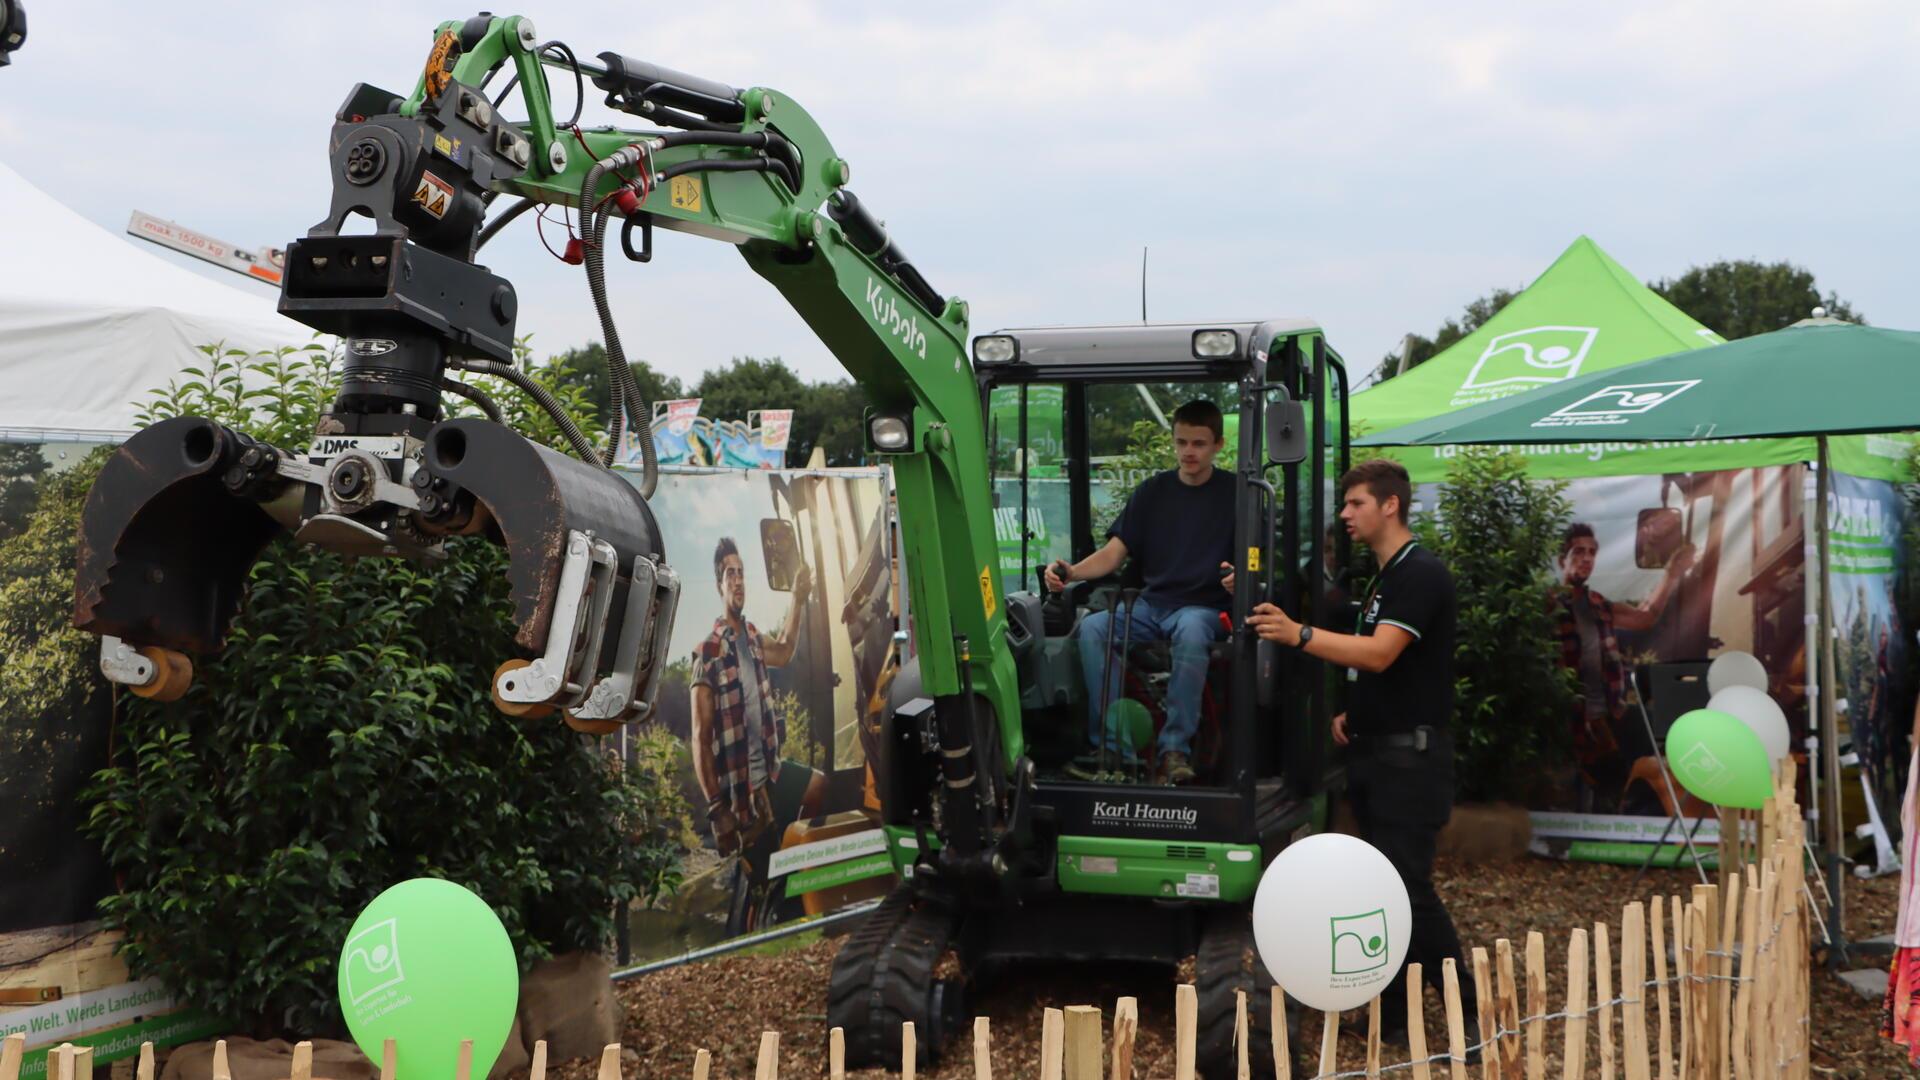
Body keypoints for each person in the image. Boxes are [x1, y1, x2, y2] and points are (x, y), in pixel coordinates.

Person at [1247, 458, 1467, 1043]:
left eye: (1355, 504)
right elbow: (1385, 666)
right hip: (1379, 755)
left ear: (1389, 505)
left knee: (1410, 894)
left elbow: (1379, 654)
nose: (1344, 514)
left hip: (1410, 765)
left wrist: (1300, 635)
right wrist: (1357, 715)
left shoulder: (1420, 575)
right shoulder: (1386, 576)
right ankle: (1394, 1020)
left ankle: (1473, 1022)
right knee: (1385, 892)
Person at [1045, 400, 1236, 785]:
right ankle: (1116, 746)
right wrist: (1071, 572)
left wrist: (1241, 578)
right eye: (1181, 442)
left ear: (1218, 444)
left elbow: (1255, 559)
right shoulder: (1152, 492)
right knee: (1095, 628)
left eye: (1198, 443)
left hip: (1204, 608)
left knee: (1193, 629)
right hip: (1152, 605)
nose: (1188, 452)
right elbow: (1114, 554)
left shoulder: (1236, 494)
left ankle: (1174, 751)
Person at [692, 537, 828, 866]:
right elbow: (700, 736)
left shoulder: (753, 638)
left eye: (741, 573)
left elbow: (784, 650)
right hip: (740, 790)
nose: (738, 581)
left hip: (772, 772)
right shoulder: (706, 654)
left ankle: (792, 855)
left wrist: (796, 600)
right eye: (729, 574)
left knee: (819, 786)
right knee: (761, 875)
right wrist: (715, 808)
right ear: (719, 585)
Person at [1548, 523, 1695, 811]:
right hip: (1567, 715)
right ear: (1561, 559)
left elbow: (1645, 617)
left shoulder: (1598, 605)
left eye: (1591, 552)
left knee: (1621, 768)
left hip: (1606, 710)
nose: (1586, 558)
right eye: (1578, 552)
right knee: (1569, 784)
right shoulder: (1548, 604)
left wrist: (1672, 574)